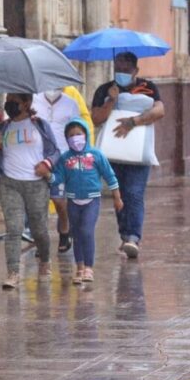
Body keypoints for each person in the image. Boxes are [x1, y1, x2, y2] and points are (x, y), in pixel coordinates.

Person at [91, 51, 165, 259]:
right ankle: (125, 236)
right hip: (113, 154)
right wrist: (111, 101)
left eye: (126, 69)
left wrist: (133, 122)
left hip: (138, 152)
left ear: (136, 70)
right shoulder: (105, 89)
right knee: (120, 195)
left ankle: (133, 237)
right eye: (118, 69)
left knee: (134, 193)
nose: (121, 72)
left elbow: (160, 111)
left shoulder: (149, 87)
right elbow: (96, 118)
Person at [0, 93, 60, 289]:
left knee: (39, 229)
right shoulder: (2, 127)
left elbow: (55, 152)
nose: (9, 104)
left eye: (14, 101)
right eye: (7, 101)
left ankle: (44, 260)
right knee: (14, 229)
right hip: (10, 183)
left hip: (36, 184)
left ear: (27, 103)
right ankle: (13, 272)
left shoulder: (40, 126)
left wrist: (47, 163)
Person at [39, 118, 124, 284]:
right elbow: (58, 179)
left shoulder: (96, 155)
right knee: (76, 234)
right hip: (72, 201)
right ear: (66, 138)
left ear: (85, 135)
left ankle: (89, 268)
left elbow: (109, 175)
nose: (75, 138)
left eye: (79, 134)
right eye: (71, 135)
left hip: (91, 200)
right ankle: (79, 268)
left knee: (86, 230)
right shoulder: (65, 159)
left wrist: (117, 197)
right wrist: (48, 176)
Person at [33, 88, 82, 252]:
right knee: (39, 203)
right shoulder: (33, 100)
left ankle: (65, 230)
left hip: (62, 159)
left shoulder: (71, 104)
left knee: (59, 201)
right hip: (38, 158)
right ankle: (41, 241)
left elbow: (77, 131)